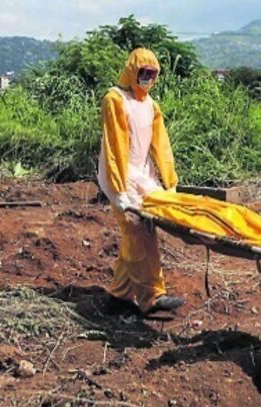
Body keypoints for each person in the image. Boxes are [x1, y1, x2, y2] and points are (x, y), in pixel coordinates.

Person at [98, 48, 185, 315]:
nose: (147, 78)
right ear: (132, 71)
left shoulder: (151, 106)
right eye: (143, 72)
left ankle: (119, 295)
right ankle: (152, 297)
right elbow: (114, 147)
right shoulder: (115, 100)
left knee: (141, 233)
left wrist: (170, 182)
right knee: (137, 235)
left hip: (144, 177)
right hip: (121, 178)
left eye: (152, 74)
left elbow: (161, 145)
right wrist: (119, 192)